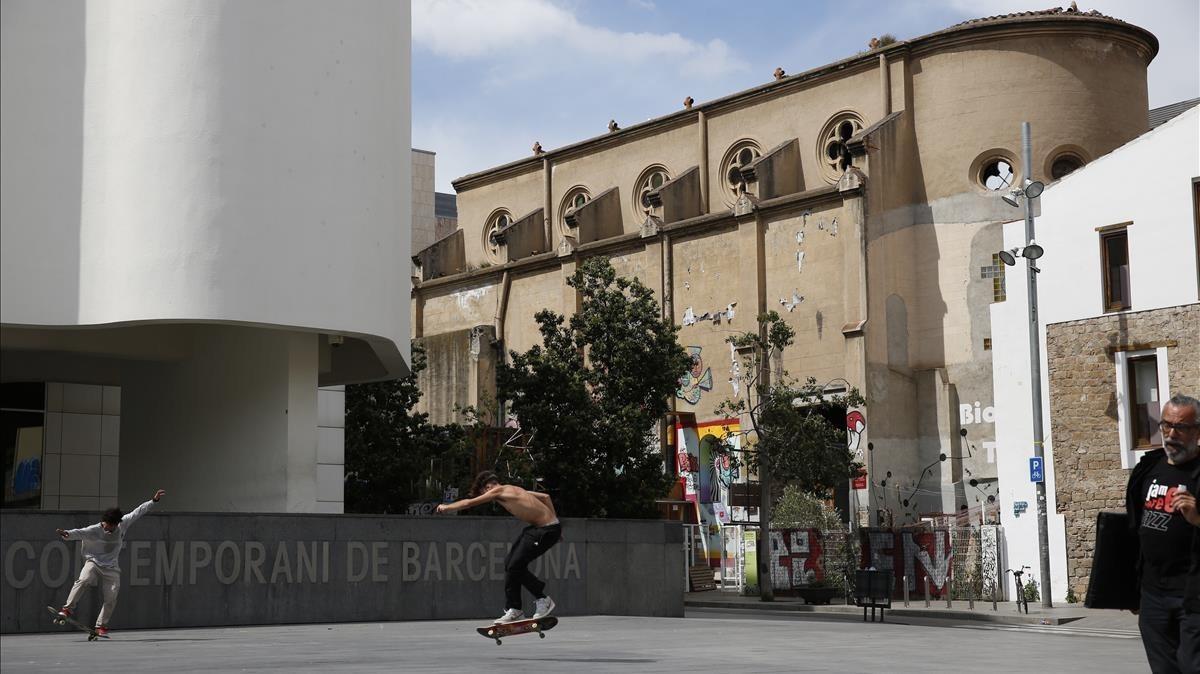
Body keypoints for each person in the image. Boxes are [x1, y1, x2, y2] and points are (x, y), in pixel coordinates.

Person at [1125, 394, 1200, 673]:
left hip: (1193, 597)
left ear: (1198, 431)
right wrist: (1131, 591)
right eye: (1165, 425)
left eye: (1180, 427)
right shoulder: (1147, 469)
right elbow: (1132, 529)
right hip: (1153, 595)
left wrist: (1197, 518)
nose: (1171, 434)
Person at [437, 471, 561, 624]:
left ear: (488, 487)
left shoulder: (498, 490)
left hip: (544, 530)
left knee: (515, 565)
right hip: (541, 529)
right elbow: (545, 497)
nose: (489, 498)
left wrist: (446, 507)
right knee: (510, 564)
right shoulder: (515, 489)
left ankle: (543, 599)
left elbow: (469, 503)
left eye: (484, 493)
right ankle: (514, 609)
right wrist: (555, 521)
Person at [54, 489, 165, 636]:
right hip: (93, 562)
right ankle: (67, 609)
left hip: (111, 567)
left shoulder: (123, 524)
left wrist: (154, 501)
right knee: (84, 579)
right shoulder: (94, 530)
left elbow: (138, 512)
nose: (108, 529)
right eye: (107, 526)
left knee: (112, 596)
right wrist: (67, 534)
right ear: (104, 522)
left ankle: (101, 626)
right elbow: (79, 532)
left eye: (112, 527)